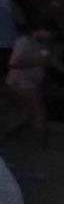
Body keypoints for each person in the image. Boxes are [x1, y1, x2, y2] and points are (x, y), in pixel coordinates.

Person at [5, 12, 52, 142]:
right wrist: (37, 63)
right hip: (20, 81)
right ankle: (42, 141)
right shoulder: (24, 42)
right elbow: (13, 63)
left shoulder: (43, 44)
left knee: (27, 113)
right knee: (39, 112)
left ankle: (13, 136)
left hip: (30, 81)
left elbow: (44, 59)